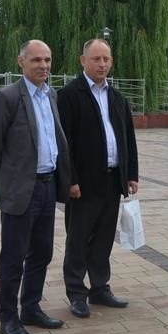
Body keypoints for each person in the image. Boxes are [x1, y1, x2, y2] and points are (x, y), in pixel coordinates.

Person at [0, 39, 70, 334]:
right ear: (21, 62)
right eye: (36, 60)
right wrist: (0, 187)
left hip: (47, 186)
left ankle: (31, 307)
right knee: (13, 257)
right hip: (21, 190)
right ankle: (8, 317)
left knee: (41, 253)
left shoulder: (51, 95)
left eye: (47, 60)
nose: (43, 66)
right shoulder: (6, 98)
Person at [58, 38, 138, 319]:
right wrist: (70, 180)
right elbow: (63, 142)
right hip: (83, 183)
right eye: (96, 59)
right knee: (78, 239)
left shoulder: (117, 97)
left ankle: (100, 287)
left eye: (106, 59)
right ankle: (76, 293)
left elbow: (128, 137)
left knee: (104, 238)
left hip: (112, 180)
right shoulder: (69, 95)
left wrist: (131, 174)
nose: (102, 64)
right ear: (83, 61)